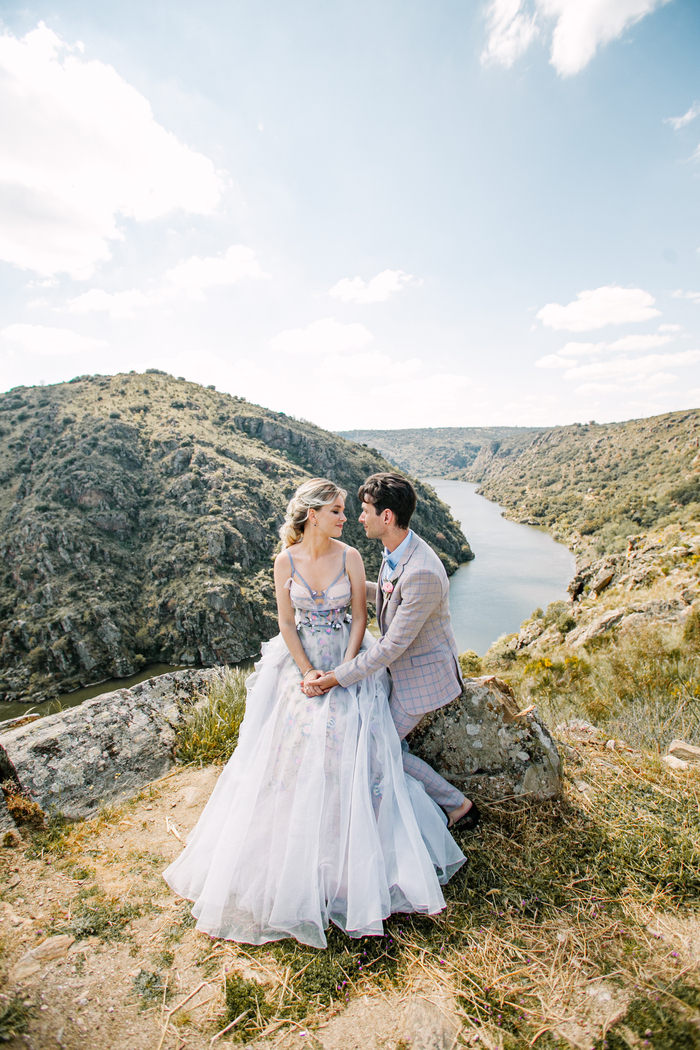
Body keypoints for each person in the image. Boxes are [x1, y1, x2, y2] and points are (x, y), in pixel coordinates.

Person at [163, 477, 465, 949]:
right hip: (304, 663)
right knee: (288, 753)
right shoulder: (287, 561)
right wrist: (306, 672)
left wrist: (341, 672)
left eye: (354, 510)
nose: (349, 518)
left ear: (385, 516)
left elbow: (371, 626)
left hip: (365, 662)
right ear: (311, 514)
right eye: (339, 511)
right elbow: (287, 621)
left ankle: (386, 840)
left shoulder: (363, 557)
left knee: (372, 746)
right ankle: (294, 853)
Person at [308, 473, 479, 831]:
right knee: (371, 738)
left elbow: (391, 647)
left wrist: (336, 678)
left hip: (420, 679)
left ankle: (458, 805)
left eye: (365, 510)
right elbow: (388, 594)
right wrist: (339, 585)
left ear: (386, 517)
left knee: (377, 746)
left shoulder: (423, 572)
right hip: (399, 669)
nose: (358, 517)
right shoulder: (399, 548)